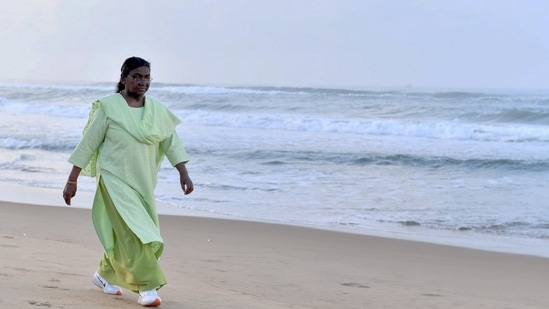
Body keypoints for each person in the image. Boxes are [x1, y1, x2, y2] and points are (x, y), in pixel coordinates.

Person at [62, 56, 193, 307]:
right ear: (124, 79)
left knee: (128, 232)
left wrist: (183, 173)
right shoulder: (109, 107)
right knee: (135, 233)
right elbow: (88, 143)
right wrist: (72, 180)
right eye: (137, 77)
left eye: (146, 77)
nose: (142, 82)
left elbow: (171, 143)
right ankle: (148, 286)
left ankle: (104, 274)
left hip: (143, 183)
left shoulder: (156, 111)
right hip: (113, 180)